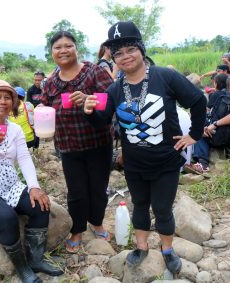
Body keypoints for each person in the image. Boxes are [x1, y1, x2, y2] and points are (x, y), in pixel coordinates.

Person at [84, 21, 206, 274]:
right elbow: (102, 119)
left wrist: (193, 135)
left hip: (166, 160)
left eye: (130, 49)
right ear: (113, 58)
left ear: (141, 49)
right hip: (135, 163)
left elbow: (197, 100)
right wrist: (88, 111)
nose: (125, 56)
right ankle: (141, 246)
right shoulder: (115, 88)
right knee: (138, 205)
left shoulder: (166, 76)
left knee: (162, 208)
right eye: (118, 53)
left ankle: (167, 249)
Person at [0, 79, 63, 283]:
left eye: (8, 97)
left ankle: (35, 260)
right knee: (6, 217)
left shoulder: (15, 129)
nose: (3, 101)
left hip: (10, 187)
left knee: (40, 205)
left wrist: (34, 186)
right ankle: (23, 268)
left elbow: (24, 159)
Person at [40, 31, 114, 253]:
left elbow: (111, 99)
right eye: (57, 47)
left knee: (98, 187)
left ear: (76, 48)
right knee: (76, 191)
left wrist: (88, 100)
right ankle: (78, 229)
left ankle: (97, 222)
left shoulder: (93, 72)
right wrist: (42, 110)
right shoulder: (51, 82)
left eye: (68, 46)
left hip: (98, 142)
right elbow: (44, 105)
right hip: (68, 145)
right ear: (52, 52)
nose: (63, 50)